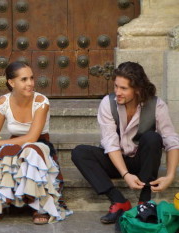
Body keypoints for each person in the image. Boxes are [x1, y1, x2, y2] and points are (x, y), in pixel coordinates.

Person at [71, 61, 179, 232]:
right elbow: (110, 142)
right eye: (116, 86)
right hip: (117, 160)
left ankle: (144, 203)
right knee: (80, 153)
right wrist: (126, 174)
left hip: (141, 162)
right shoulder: (108, 103)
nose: (117, 92)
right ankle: (119, 201)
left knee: (153, 138)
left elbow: (171, 141)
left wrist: (170, 176)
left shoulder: (157, 105)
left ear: (137, 89)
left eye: (123, 88)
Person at [0, 61, 71, 224]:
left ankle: (39, 207)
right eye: (24, 79)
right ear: (11, 83)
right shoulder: (3, 102)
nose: (30, 83)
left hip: (40, 145)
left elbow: (32, 137)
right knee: (8, 153)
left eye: (31, 78)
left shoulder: (41, 101)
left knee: (28, 150)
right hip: (14, 146)